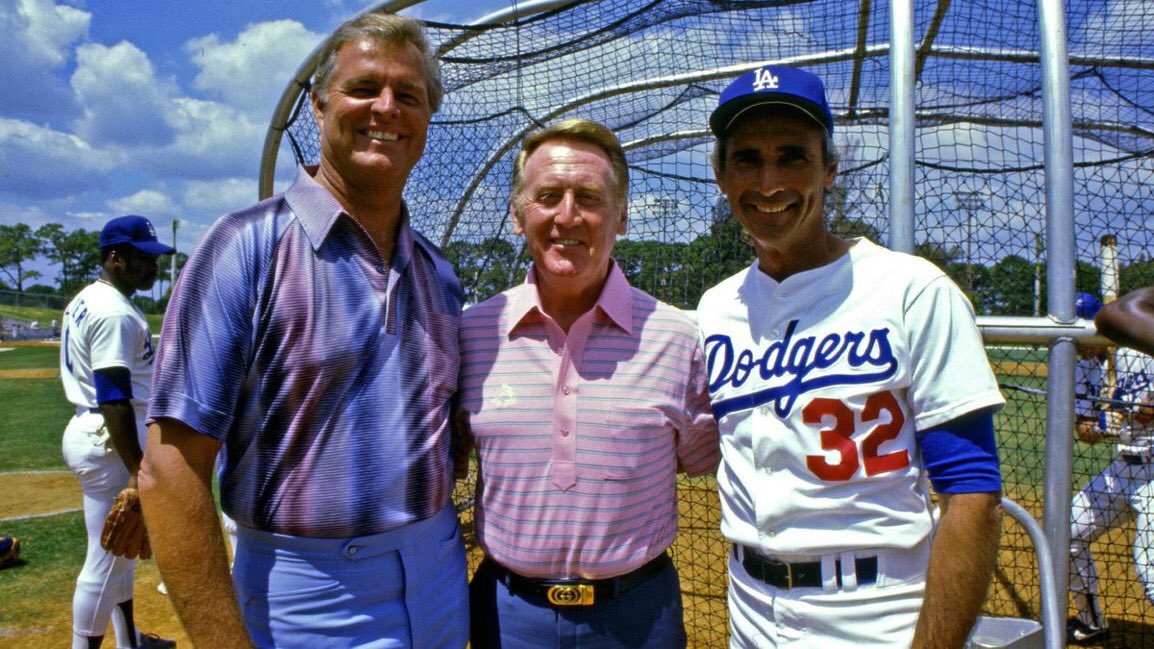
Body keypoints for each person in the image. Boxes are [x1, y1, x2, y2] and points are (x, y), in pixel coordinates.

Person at [138, 12, 468, 648]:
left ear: (427, 119)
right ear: (318, 108)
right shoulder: (246, 246)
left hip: (440, 575)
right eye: (364, 88)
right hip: (310, 596)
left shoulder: (437, 271)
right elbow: (170, 469)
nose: (387, 108)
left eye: (409, 96)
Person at [695, 65, 1005, 648]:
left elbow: (971, 491)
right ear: (719, 175)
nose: (769, 182)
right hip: (750, 612)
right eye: (747, 159)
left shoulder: (911, 289)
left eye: (793, 156)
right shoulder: (715, 309)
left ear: (830, 169)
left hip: (877, 612)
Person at [456, 118, 720, 648]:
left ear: (621, 215)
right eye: (547, 195)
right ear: (517, 214)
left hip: (639, 616)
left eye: (590, 197)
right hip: (508, 614)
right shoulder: (471, 333)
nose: (567, 215)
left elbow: (703, 458)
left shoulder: (677, 337)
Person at [59, 214, 176, 649]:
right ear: (115, 258)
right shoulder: (114, 313)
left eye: (155, 259)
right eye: (142, 259)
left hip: (96, 433)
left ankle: (130, 642)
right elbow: (112, 396)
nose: (154, 267)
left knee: (120, 554)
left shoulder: (88, 299)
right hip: (110, 440)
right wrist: (135, 469)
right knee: (105, 560)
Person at [1067, 289, 1154, 645]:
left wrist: (1143, 411)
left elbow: (1147, 410)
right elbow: (1084, 432)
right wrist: (1106, 427)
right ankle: (1091, 622)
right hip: (1122, 471)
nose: (1076, 345)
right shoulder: (1078, 365)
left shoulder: (1141, 347)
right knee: (1066, 534)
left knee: (1149, 568)